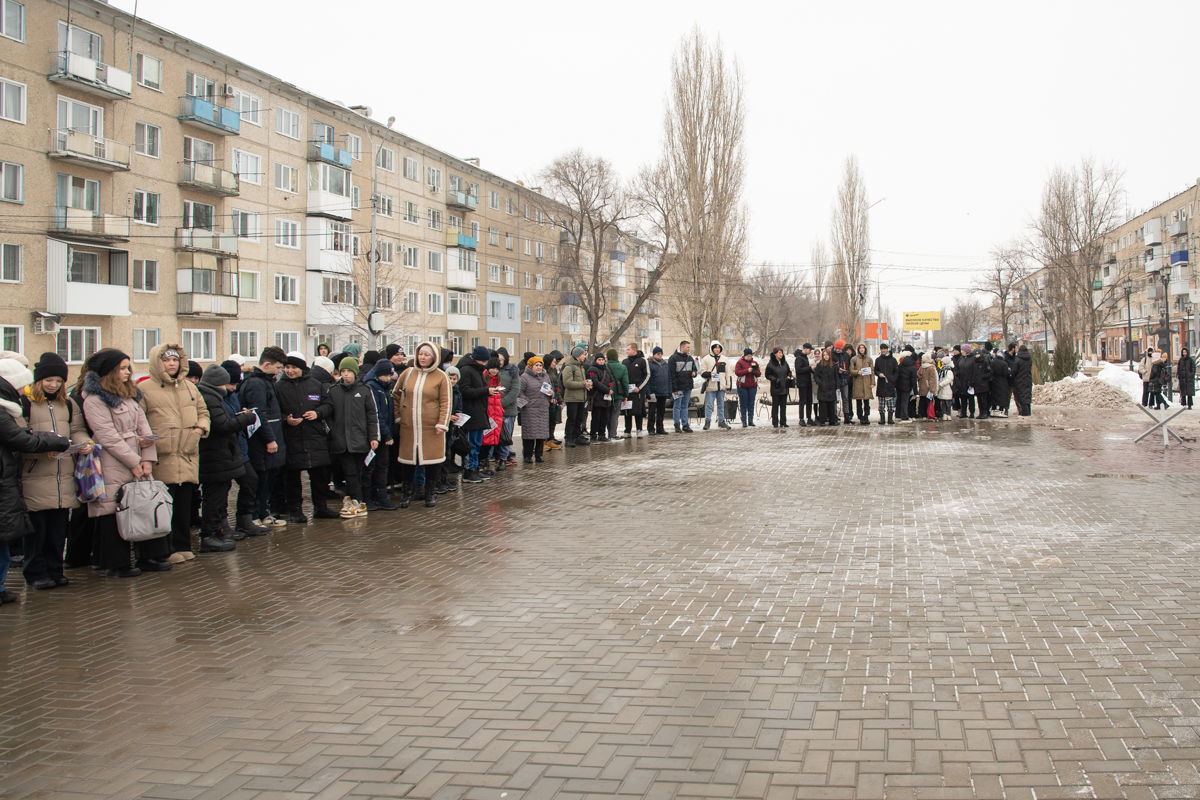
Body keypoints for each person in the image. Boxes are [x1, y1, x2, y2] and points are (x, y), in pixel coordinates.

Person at [80, 350, 158, 578]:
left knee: (141, 506)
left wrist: (147, 459)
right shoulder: (95, 400)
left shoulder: (130, 395)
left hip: (135, 459)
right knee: (112, 511)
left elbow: (145, 428)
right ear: (109, 371)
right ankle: (115, 563)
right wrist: (134, 460)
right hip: (111, 462)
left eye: (128, 368)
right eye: (122, 368)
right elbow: (106, 435)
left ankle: (147, 555)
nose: (127, 372)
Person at [19, 353, 89, 591]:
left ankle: (55, 569)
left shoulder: (68, 403)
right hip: (35, 475)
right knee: (37, 531)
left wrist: (84, 442)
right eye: (48, 380)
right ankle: (36, 572)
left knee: (58, 531)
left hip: (63, 475)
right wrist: (41, 452)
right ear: (39, 380)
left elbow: (76, 429)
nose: (53, 385)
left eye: (58, 381)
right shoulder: (26, 403)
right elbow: (19, 439)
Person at [139, 343, 214, 559]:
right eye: (166, 360)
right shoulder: (144, 389)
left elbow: (203, 412)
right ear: (157, 362)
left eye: (175, 360)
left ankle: (182, 546)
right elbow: (139, 420)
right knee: (162, 505)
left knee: (183, 505)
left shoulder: (190, 388)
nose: (171, 364)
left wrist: (200, 429)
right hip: (162, 456)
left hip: (187, 454)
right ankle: (164, 550)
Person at [196, 365, 259, 552]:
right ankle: (210, 535)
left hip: (219, 456)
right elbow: (222, 425)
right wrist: (247, 418)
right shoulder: (211, 398)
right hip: (215, 457)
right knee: (214, 498)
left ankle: (215, 532)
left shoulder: (212, 397)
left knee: (218, 495)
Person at [275, 351, 337, 523]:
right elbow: (274, 411)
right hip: (292, 438)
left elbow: (328, 405)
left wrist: (317, 413)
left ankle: (321, 507)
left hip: (315, 437)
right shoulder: (279, 387)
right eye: (287, 367)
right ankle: (295, 510)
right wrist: (285, 419)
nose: (289, 371)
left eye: (293, 367)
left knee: (319, 477)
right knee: (293, 479)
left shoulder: (315, 384)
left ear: (302, 368)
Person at [393, 342, 451, 508]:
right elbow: (396, 395)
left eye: (426, 355)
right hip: (409, 425)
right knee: (408, 461)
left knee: (432, 461)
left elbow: (446, 402)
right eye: (420, 354)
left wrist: (442, 423)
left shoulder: (441, 376)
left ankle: (430, 493)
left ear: (434, 357)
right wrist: (398, 416)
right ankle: (406, 493)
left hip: (432, 427)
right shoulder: (408, 373)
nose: (422, 357)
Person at [238, 348, 287, 528]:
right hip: (261, 444)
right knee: (260, 479)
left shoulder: (266, 382)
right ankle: (254, 515)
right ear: (267, 364)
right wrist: (269, 439)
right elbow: (258, 415)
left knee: (268, 479)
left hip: (271, 440)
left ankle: (263, 513)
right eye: (278, 367)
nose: (280, 371)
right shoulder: (256, 384)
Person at [218, 359, 266, 537]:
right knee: (222, 489)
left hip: (240, 449)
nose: (233, 387)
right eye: (230, 384)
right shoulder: (217, 398)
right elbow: (224, 424)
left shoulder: (233, 396)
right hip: (225, 451)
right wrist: (244, 419)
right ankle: (221, 524)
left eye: (235, 384)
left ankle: (244, 520)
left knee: (251, 480)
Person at [328, 357, 378, 518]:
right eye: (343, 371)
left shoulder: (364, 390)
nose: (346, 375)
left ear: (354, 372)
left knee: (357, 472)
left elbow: (371, 415)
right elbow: (328, 413)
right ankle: (355, 501)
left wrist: (373, 436)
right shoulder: (333, 390)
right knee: (349, 472)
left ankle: (355, 500)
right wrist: (332, 431)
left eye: (349, 371)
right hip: (341, 439)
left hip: (360, 439)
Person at [362, 358, 398, 511]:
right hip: (376, 435)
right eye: (386, 376)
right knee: (370, 467)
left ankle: (381, 497)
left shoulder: (386, 387)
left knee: (383, 466)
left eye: (390, 376)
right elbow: (377, 415)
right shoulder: (371, 387)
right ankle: (367, 498)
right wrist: (387, 434)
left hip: (385, 433)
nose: (389, 378)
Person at [456, 345, 493, 482]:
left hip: (478, 412)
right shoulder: (466, 370)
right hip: (470, 413)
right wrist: (486, 391)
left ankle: (475, 468)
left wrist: (487, 391)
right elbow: (465, 391)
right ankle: (468, 470)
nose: (485, 364)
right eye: (483, 361)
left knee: (477, 443)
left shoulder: (478, 370)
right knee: (470, 444)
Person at [519, 356, 552, 463]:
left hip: (542, 409)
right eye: (536, 365)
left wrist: (552, 394)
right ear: (531, 366)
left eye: (540, 365)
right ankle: (528, 455)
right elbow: (519, 392)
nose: (538, 367)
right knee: (529, 433)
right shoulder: (524, 377)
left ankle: (539, 455)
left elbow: (550, 388)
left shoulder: (545, 376)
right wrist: (526, 402)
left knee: (541, 434)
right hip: (530, 410)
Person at [561, 345, 591, 447]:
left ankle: (577, 436)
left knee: (579, 419)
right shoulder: (569, 367)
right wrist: (583, 384)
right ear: (578, 355)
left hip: (581, 397)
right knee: (572, 419)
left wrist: (586, 384)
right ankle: (568, 438)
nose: (585, 355)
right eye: (583, 354)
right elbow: (567, 383)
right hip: (572, 398)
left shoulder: (581, 367)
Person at [439, 366, 463, 493]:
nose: (452, 381)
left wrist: (458, 413)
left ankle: (444, 479)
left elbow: (459, 406)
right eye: (450, 378)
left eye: (454, 378)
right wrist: (449, 416)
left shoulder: (457, 392)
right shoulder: (443, 391)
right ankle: (439, 481)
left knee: (448, 454)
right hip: (443, 425)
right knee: (442, 454)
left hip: (451, 427)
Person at [698, 341, 732, 431]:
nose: (717, 349)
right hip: (710, 386)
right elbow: (702, 372)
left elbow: (728, 373)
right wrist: (710, 373)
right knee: (709, 405)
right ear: (712, 348)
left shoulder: (724, 359)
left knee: (721, 404)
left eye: (718, 348)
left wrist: (728, 385)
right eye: (715, 348)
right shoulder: (706, 359)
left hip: (721, 386)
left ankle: (721, 421)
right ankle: (707, 421)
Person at [480, 357, 507, 469]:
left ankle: (485, 464)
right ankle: (481, 464)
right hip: (487, 414)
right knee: (484, 441)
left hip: (496, 414)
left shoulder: (497, 380)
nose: (494, 371)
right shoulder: (484, 378)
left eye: (496, 368)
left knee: (491, 441)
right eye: (492, 368)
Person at [667, 341, 697, 433]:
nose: (689, 349)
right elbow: (671, 375)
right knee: (677, 405)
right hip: (679, 387)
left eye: (689, 347)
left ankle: (685, 424)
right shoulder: (673, 358)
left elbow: (695, 369)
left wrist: (694, 373)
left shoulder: (690, 358)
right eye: (687, 347)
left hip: (688, 386)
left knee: (685, 405)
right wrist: (674, 388)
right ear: (682, 347)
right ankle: (677, 424)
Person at [586, 351, 616, 442]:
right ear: (596, 360)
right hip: (597, 398)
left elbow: (612, 380)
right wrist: (607, 390)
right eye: (599, 360)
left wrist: (610, 388)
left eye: (603, 359)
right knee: (596, 418)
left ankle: (602, 434)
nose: (601, 361)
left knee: (604, 418)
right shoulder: (592, 370)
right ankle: (593, 435)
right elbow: (595, 383)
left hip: (606, 398)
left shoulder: (606, 370)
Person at [622, 345, 650, 437]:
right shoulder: (625, 362)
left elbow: (647, 375)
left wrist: (639, 387)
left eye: (628, 349)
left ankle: (639, 429)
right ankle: (627, 430)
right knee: (627, 411)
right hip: (627, 392)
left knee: (638, 411)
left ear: (634, 350)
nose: (627, 351)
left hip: (638, 391)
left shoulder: (642, 361)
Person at [604, 348, 630, 440]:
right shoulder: (622, 367)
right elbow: (625, 383)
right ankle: (613, 434)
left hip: (606, 393)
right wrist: (625, 395)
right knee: (615, 414)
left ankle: (606, 432)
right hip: (618, 394)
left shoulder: (604, 365)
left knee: (607, 414)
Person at [646, 347, 671, 435]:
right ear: (654, 354)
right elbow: (647, 379)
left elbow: (668, 378)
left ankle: (660, 427)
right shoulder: (650, 364)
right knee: (652, 411)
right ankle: (651, 428)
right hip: (654, 391)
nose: (660, 355)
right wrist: (648, 391)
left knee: (661, 411)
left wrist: (669, 390)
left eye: (661, 354)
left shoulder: (665, 364)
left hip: (663, 391)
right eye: (658, 354)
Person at [764, 347, 791, 428]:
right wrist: (775, 380)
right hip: (776, 387)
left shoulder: (784, 363)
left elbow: (789, 371)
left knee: (783, 406)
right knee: (775, 405)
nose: (781, 354)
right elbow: (767, 375)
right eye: (779, 353)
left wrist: (789, 376)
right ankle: (775, 422)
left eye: (781, 353)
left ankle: (783, 421)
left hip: (784, 387)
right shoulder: (771, 364)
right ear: (775, 354)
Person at [735, 348, 761, 428]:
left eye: (750, 356)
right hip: (742, 386)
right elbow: (737, 372)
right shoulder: (740, 362)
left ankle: (750, 420)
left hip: (752, 386)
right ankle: (744, 421)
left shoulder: (755, 363)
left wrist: (754, 371)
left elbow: (759, 374)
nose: (749, 357)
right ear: (744, 356)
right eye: (748, 356)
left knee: (751, 403)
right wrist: (747, 370)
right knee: (743, 403)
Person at [544, 350, 565, 447]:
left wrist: (559, 400)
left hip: (554, 400)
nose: (555, 363)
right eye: (554, 362)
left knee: (553, 421)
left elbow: (556, 388)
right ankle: (544, 441)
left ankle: (550, 440)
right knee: (546, 422)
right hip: (547, 401)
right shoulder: (544, 373)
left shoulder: (553, 372)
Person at [849, 343, 874, 425]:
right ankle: (860, 417)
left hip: (866, 382)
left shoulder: (869, 359)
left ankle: (866, 416)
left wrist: (872, 382)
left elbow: (872, 372)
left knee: (867, 402)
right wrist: (857, 372)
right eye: (860, 348)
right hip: (858, 383)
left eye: (863, 348)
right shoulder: (854, 359)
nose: (862, 349)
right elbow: (851, 370)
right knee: (858, 401)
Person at [813, 348, 839, 426]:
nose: (826, 357)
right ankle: (822, 420)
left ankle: (832, 420)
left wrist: (837, 386)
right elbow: (816, 376)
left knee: (831, 405)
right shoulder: (820, 365)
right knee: (823, 405)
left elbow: (836, 376)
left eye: (827, 355)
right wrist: (820, 383)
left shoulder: (833, 365)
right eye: (824, 355)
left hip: (831, 387)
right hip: (823, 388)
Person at [873, 343, 897, 425]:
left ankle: (890, 418)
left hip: (890, 384)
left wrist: (893, 378)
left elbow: (896, 371)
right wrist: (879, 373)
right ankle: (882, 418)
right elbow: (875, 370)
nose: (883, 350)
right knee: (881, 404)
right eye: (882, 349)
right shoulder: (878, 360)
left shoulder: (893, 360)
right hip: (881, 384)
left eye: (884, 348)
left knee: (890, 404)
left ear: (887, 349)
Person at [1009, 345, 1034, 417]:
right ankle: (1028, 413)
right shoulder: (1029, 358)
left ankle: (1025, 414)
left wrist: (1012, 377)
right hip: (1028, 379)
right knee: (1027, 397)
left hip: (1020, 380)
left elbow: (1015, 370)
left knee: (1022, 397)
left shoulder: (1018, 359)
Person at [791, 345, 813, 426]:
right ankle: (801, 418)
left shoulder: (805, 357)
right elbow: (799, 370)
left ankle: (809, 418)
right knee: (802, 401)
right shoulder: (799, 358)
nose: (811, 352)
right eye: (810, 350)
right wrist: (809, 368)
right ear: (806, 349)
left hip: (808, 382)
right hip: (802, 383)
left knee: (809, 401)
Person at [895, 347, 917, 423]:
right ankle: (904, 416)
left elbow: (897, 375)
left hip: (899, 385)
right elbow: (914, 380)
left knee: (899, 400)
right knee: (905, 401)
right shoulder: (913, 368)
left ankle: (897, 415)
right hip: (907, 386)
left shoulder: (901, 365)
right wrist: (915, 391)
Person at [833, 340, 853, 424]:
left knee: (845, 398)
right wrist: (837, 369)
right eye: (836, 348)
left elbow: (848, 366)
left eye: (839, 348)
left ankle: (846, 416)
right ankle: (834, 416)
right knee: (835, 399)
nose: (837, 350)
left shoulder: (845, 355)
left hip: (845, 379)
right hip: (835, 380)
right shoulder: (832, 355)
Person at [954, 344, 976, 418]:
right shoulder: (961, 358)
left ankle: (972, 412)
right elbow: (956, 368)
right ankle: (963, 412)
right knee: (963, 398)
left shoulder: (972, 359)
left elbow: (974, 371)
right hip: (961, 381)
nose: (961, 351)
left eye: (963, 350)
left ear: (966, 351)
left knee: (970, 398)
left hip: (969, 382)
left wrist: (972, 380)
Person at [990, 346, 1011, 416]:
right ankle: (1001, 411)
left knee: (994, 396)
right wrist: (1009, 371)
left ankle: (992, 410)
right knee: (1002, 396)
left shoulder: (992, 362)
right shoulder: (1004, 363)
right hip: (1002, 381)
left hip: (993, 381)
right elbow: (1005, 373)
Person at [972, 346, 992, 419]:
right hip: (977, 384)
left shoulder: (985, 361)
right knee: (979, 399)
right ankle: (981, 413)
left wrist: (984, 377)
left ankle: (985, 412)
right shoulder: (974, 362)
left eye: (978, 354)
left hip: (983, 384)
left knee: (984, 399)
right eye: (976, 354)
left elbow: (990, 371)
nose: (977, 356)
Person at [916, 353, 937, 419]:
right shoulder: (928, 367)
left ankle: (925, 415)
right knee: (926, 402)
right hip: (926, 388)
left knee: (924, 402)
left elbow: (932, 379)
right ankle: (927, 415)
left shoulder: (926, 367)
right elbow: (932, 379)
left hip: (924, 387)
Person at [936, 352, 955, 420]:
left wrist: (941, 384)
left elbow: (949, 379)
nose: (942, 363)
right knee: (943, 402)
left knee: (948, 403)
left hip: (947, 388)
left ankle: (948, 414)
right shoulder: (942, 370)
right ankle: (944, 413)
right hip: (943, 389)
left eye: (943, 362)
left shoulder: (948, 371)